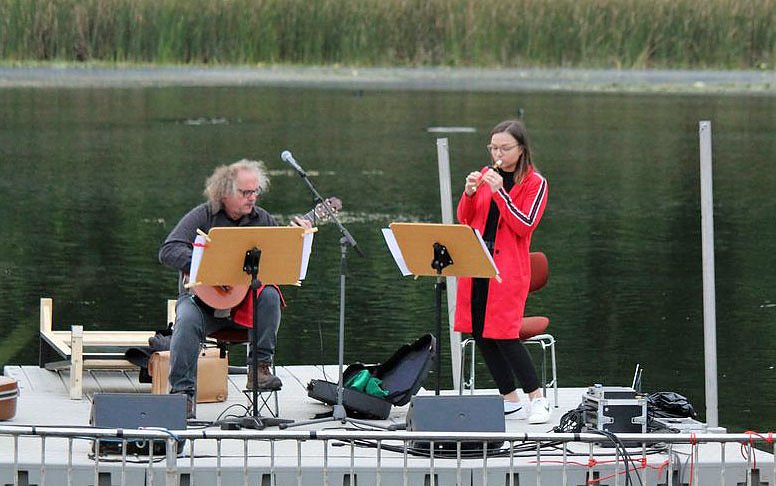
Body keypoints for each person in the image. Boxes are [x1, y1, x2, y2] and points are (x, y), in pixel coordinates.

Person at [159, 159, 311, 417]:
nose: (252, 198)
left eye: (255, 191)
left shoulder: (262, 219)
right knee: (184, 320)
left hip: (244, 306)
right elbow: (168, 250)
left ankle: (259, 370)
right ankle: (182, 397)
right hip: (202, 304)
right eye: (245, 192)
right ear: (224, 192)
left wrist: (299, 240)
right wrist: (212, 269)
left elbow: (282, 262)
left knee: (271, 295)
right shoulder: (203, 215)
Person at [454, 119, 550, 424]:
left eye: (505, 148)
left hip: (507, 268)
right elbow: (465, 220)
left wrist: (500, 194)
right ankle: (509, 398)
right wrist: (470, 192)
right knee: (479, 331)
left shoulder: (535, 182)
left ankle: (537, 398)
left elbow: (525, 224)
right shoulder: (486, 175)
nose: (498, 153)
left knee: (505, 334)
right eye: (493, 147)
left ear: (521, 150)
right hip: (477, 262)